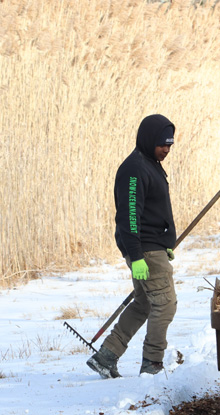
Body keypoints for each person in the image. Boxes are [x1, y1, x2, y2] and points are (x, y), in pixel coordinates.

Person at [87, 114, 178, 378]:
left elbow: (152, 210)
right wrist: (137, 255)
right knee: (165, 304)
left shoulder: (149, 164)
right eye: (163, 144)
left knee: (144, 304)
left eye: (170, 145)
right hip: (145, 251)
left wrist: (165, 242)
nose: (167, 149)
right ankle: (152, 364)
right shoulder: (135, 168)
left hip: (152, 247)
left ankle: (106, 356)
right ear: (149, 140)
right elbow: (129, 214)